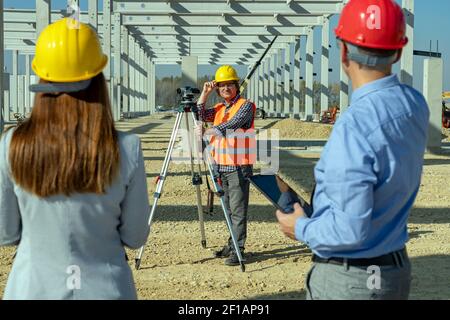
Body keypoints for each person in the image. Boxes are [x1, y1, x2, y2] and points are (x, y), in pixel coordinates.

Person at [276, 0, 430, 300]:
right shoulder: (414, 104)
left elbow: (350, 231)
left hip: (353, 279)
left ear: (343, 51)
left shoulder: (354, 125)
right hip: (393, 269)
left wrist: (301, 228)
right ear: (398, 51)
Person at [0, 18, 151, 299]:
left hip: (32, 289)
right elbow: (135, 236)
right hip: (106, 290)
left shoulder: (12, 145)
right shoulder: (127, 148)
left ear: (42, 80)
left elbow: (6, 233)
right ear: (97, 80)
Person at [196, 65, 256, 266]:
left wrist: (209, 132)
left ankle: (239, 250)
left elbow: (234, 124)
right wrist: (205, 94)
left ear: (236, 85)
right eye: (221, 86)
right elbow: (200, 114)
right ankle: (232, 245)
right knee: (228, 209)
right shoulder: (220, 108)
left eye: (229, 84)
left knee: (238, 210)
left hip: (239, 166)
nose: (225, 88)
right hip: (221, 165)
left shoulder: (246, 106)